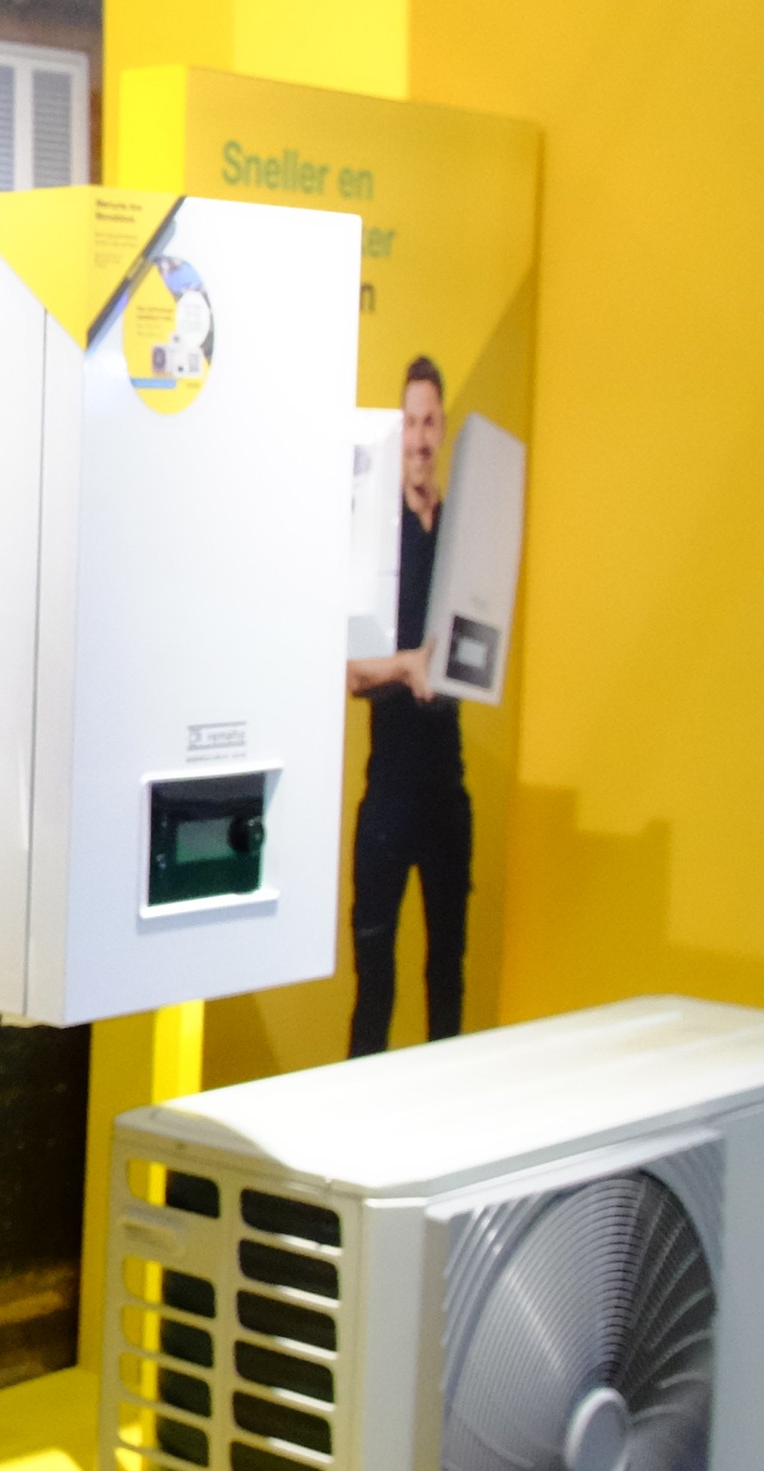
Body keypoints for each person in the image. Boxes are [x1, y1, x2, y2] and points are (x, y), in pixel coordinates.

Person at [345, 354, 471, 1057]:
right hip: (389, 796)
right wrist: (408, 666)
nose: (420, 439)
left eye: (429, 423)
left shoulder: (459, 533)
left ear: (442, 429)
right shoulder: (375, 540)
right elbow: (349, 674)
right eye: (411, 424)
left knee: (447, 984)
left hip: (446, 793)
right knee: (375, 992)